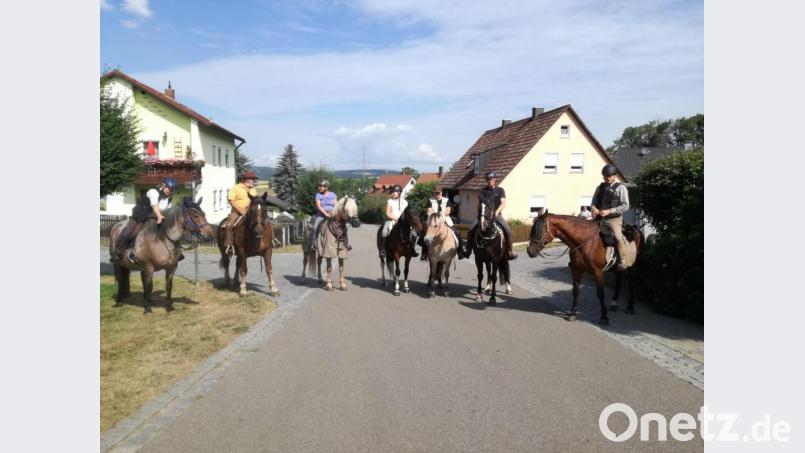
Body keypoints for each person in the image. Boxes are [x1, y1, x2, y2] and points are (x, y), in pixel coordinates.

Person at [111, 177, 176, 263]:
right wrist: (159, 216)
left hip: (154, 218)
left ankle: (175, 252)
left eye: (172, 190)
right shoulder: (153, 192)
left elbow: (167, 210)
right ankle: (117, 252)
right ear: (163, 186)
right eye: (169, 188)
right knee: (129, 231)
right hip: (140, 216)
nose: (170, 191)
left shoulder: (169, 198)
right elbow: (154, 205)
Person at [466, 171, 517, 259]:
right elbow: (482, 204)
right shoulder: (482, 191)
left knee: (508, 230)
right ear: (486, 180)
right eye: (488, 179)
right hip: (484, 216)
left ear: (495, 179)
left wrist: (496, 212)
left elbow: (503, 203)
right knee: (471, 229)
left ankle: (510, 251)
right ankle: (468, 250)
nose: (490, 180)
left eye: (492, 179)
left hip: (497, 216)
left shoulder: (500, 190)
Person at [591, 164, 630, 271]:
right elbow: (593, 202)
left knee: (618, 237)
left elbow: (626, 205)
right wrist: (593, 208)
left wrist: (610, 211)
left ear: (614, 176)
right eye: (605, 176)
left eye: (609, 176)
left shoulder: (621, 188)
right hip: (599, 219)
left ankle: (623, 262)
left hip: (614, 220)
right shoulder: (599, 187)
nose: (607, 178)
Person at [421, 186, 467, 261]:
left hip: (445, 219)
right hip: (433, 220)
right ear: (434, 193)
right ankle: (424, 254)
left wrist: (441, 215)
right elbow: (429, 211)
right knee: (424, 234)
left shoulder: (446, 200)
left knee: (456, 232)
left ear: (441, 193)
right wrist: (435, 216)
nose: (437, 194)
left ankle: (460, 252)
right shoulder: (430, 200)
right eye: (436, 193)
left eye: (438, 193)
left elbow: (448, 211)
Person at [223, 171, 258, 255]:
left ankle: (271, 240)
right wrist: (240, 210)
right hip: (237, 212)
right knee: (229, 225)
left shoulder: (253, 190)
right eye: (252, 179)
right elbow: (230, 200)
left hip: (250, 212)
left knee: (262, 222)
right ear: (247, 180)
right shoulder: (236, 188)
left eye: (254, 179)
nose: (254, 181)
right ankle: (229, 245)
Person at [309, 180, 350, 251]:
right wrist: (325, 214)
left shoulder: (333, 194)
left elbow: (336, 205)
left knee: (343, 226)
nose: (319, 188)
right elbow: (319, 206)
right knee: (314, 227)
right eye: (319, 186)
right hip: (321, 215)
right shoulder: (318, 195)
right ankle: (313, 244)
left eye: (321, 186)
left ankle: (345, 243)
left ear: (326, 187)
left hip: (333, 214)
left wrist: (331, 213)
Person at [380, 184, 417, 257]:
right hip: (391, 220)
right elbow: (387, 213)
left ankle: (412, 249)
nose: (393, 193)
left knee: (414, 234)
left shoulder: (405, 202)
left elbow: (408, 213)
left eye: (395, 192)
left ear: (399, 193)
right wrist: (395, 218)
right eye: (393, 192)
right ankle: (383, 249)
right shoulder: (390, 201)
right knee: (384, 232)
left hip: (403, 222)